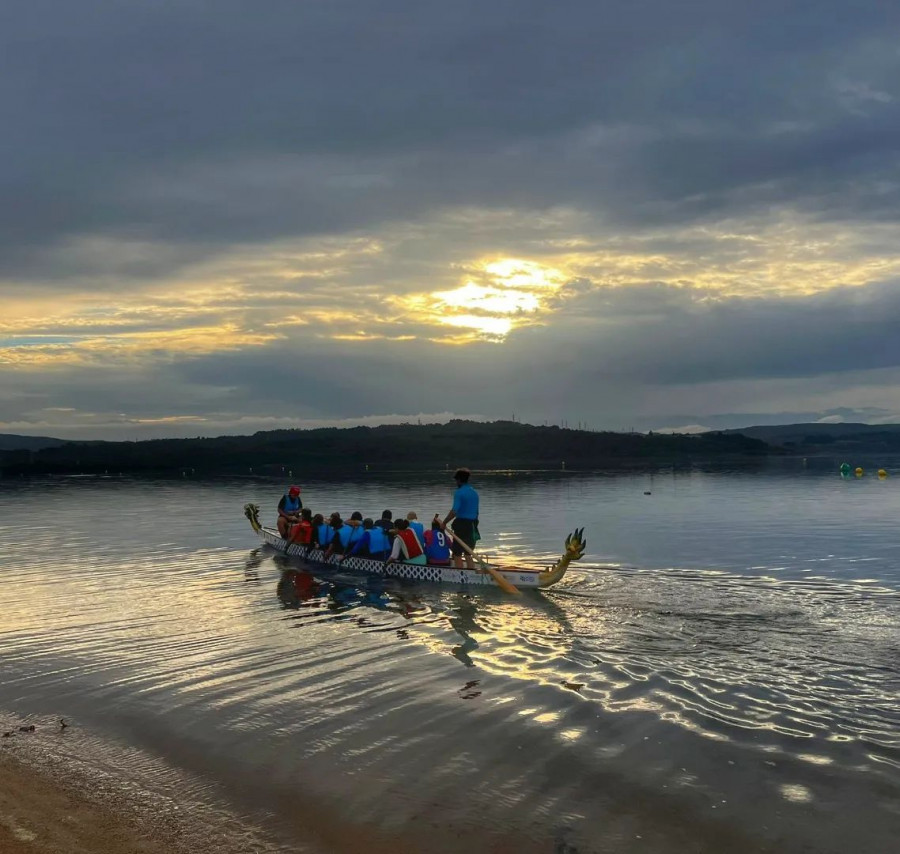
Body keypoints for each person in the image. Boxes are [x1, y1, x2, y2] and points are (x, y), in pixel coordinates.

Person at [441, 468, 479, 570]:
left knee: (457, 553)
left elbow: (454, 511)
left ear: (459, 480)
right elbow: (476, 512)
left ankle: (459, 574)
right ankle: (471, 572)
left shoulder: (459, 492)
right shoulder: (474, 492)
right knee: (468, 553)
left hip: (462, 524)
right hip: (473, 524)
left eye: (456, 480)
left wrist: (444, 523)